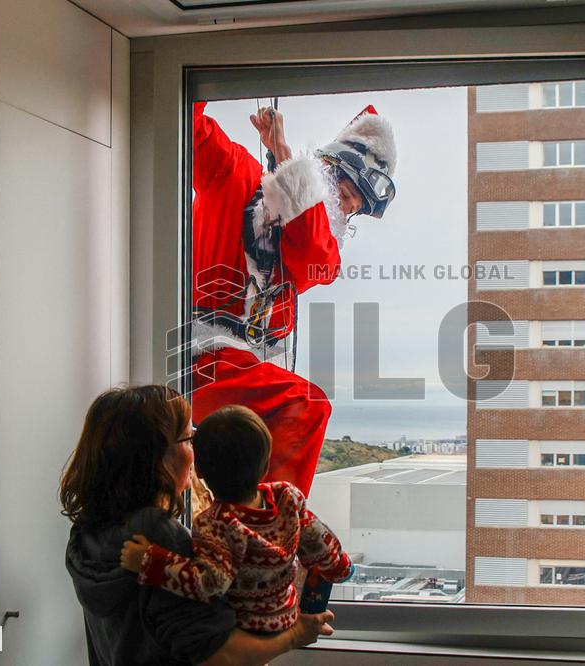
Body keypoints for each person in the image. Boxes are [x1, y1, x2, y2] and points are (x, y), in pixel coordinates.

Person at [191, 101, 397, 497]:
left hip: (238, 380)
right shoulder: (233, 172)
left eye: (349, 210)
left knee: (271, 437)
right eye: (344, 195)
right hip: (201, 360)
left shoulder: (306, 255)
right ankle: (271, 520)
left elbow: (317, 253)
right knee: (306, 407)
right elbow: (184, 119)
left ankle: (243, 520)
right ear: (323, 173)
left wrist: (287, 165)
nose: (345, 211)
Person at [61, 385, 334, 666]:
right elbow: (219, 655)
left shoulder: (87, 531)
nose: (196, 454)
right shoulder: (159, 538)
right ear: (158, 458)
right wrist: (296, 634)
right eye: (190, 439)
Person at [119, 405, 352, 634]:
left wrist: (150, 561)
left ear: (197, 470)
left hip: (244, 627)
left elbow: (210, 584)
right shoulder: (287, 498)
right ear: (264, 467)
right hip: (285, 615)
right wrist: (342, 568)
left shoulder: (216, 523)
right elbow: (319, 543)